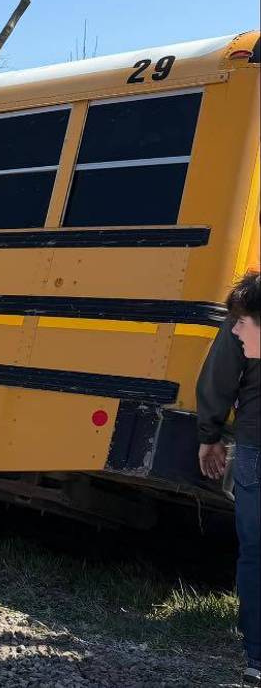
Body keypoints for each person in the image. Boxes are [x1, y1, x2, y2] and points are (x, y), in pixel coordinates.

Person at [196, 270, 260, 684]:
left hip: (257, 445)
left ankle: (258, 657)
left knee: (256, 552)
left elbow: (221, 371)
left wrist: (210, 436)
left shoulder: (252, 299)